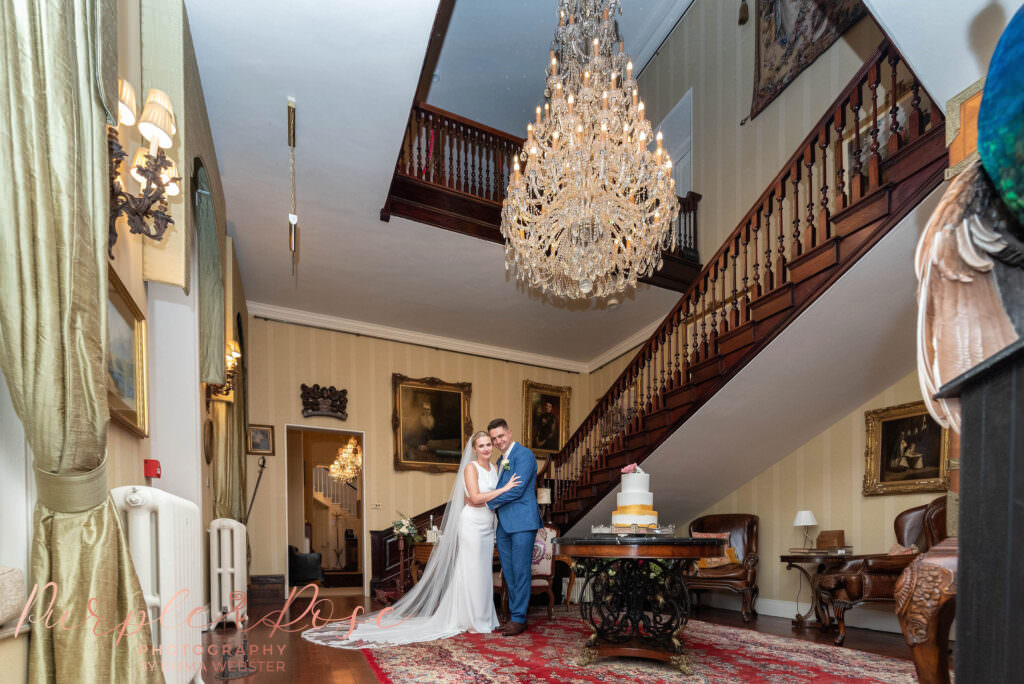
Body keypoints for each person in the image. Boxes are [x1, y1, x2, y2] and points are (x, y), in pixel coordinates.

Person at [306, 431, 520, 647]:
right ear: (474, 449)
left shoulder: (494, 468)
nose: (486, 449)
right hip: (472, 524)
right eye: (481, 445)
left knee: (483, 571)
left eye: (488, 445)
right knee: (472, 570)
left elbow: (482, 499)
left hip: (488, 524)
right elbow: (473, 498)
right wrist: (503, 490)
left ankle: (485, 618)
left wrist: (492, 496)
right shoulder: (470, 468)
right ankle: (472, 620)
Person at [486, 418, 542, 636]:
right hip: (504, 524)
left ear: (509, 433)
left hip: (522, 522)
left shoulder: (524, 455)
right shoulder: (501, 461)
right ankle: (513, 616)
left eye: (501, 436)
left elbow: (517, 490)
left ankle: (519, 619)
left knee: (520, 571)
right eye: (494, 438)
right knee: (508, 572)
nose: (498, 441)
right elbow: (500, 487)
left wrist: (489, 502)